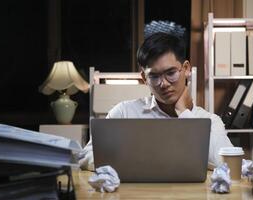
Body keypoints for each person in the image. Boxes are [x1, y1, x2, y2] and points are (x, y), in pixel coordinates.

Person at [79, 32, 233, 170]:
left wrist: (184, 114)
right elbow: (87, 155)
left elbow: (226, 164)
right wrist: (129, 160)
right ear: (144, 78)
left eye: (171, 73)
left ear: (186, 69)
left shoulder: (210, 121)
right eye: (154, 76)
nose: (163, 83)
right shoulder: (124, 113)